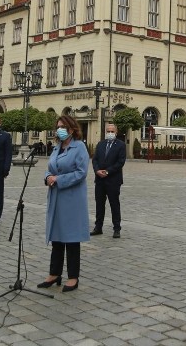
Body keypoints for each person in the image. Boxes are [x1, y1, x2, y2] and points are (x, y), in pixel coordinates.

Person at [38, 114, 89, 292]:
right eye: (58, 127)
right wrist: (47, 178)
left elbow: (81, 172)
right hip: (56, 198)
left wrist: (58, 179)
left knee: (71, 238)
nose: (60, 130)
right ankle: (54, 273)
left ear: (72, 129)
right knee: (57, 237)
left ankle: (73, 277)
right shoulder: (56, 148)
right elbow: (49, 168)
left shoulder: (79, 147)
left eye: (63, 127)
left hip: (72, 198)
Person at [91, 122, 127, 238]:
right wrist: (97, 170)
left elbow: (120, 162)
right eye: (108, 131)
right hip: (100, 179)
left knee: (114, 204)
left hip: (113, 180)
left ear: (116, 132)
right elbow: (95, 159)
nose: (110, 133)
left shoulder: (121, 145)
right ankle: (98, 227)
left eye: (112, 131)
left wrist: (107, 171)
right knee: (99, 204)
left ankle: (117, 228)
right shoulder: (101, 144)